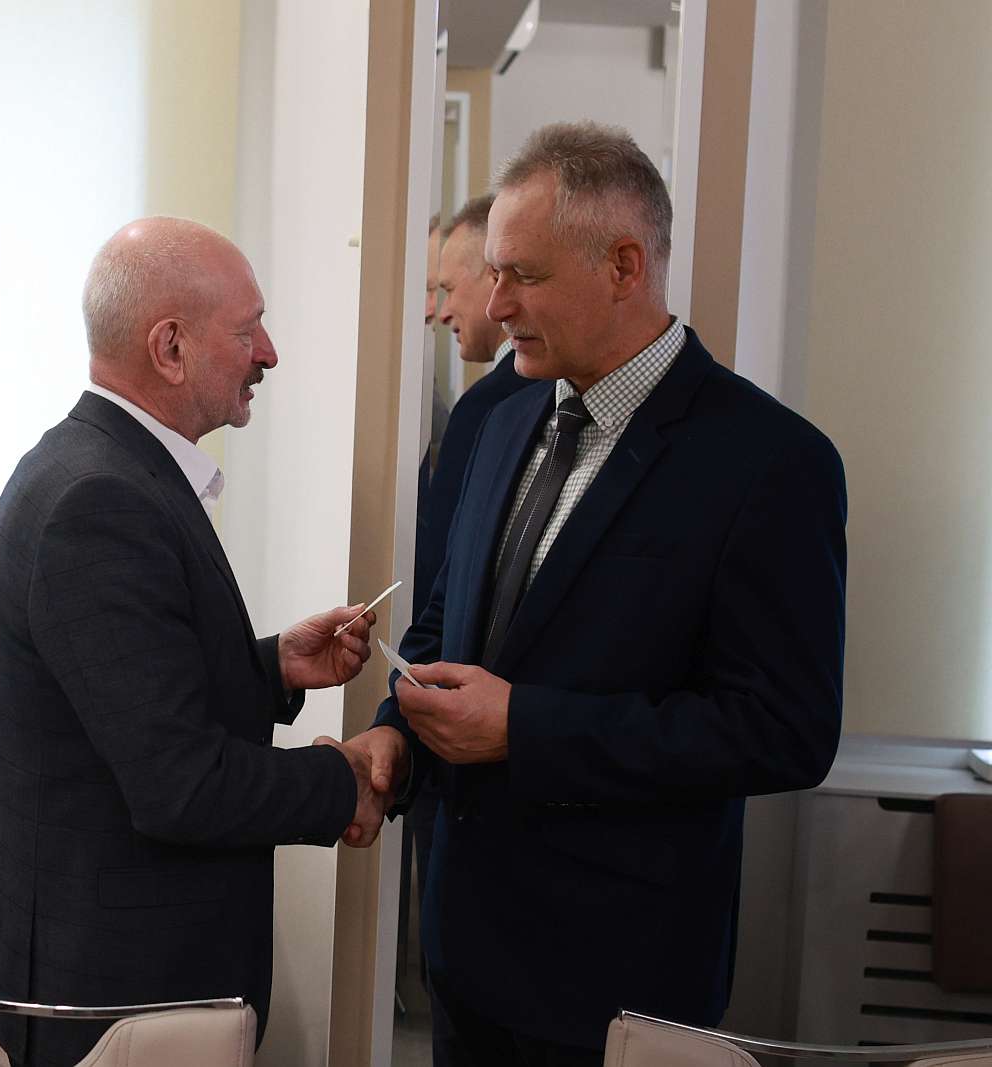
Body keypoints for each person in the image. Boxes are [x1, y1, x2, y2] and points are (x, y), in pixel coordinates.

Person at [345, 122, 847, 1064]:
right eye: (493, 273)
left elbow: (785, 729)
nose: (496, 304)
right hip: (464, 955)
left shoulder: (770, 462)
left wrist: (525, 727)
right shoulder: (500, 421)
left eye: (523, 276)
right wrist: (395, 735)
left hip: (620, 977)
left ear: (624, 266)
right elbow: (448, 623)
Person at [0, 216, 384, 1067]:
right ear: (170, 347)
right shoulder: (100, 501)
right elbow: (179, 783)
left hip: (103, 973)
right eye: (248, 330)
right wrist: (343, 780)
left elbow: (120, 695)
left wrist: (270, 666)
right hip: (103, 995)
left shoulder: (95, 466)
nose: (269, 354)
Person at [412, 192, 534, 616]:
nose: (440, 312)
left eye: (444, 289)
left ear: (495, 277)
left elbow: (443, 570)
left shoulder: (489, 407)